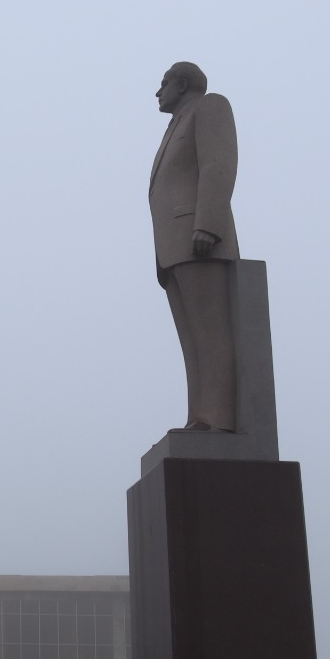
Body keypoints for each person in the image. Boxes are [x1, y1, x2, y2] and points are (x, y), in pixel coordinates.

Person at [148, 61, 241, 433]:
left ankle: (217, 418)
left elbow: (219, 166)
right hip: (173, 247)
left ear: (182, 84)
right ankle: (198, 417)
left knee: (211, 334)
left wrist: (208, 224)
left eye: (163, 84)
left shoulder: (210, 107)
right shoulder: (176, 124)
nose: (158, 92)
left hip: (197, 238)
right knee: (192, 343)